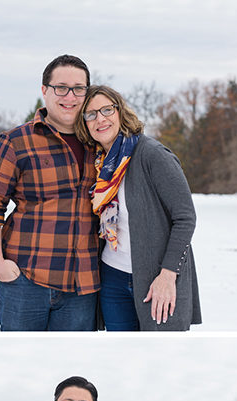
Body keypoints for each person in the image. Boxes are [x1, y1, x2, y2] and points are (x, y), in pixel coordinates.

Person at [0, 55, 99, 331]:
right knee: (19, 351)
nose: (70, 96)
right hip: (26, 280)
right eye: (61, 87)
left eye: (78, 88)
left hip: (83, 285)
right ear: (45, 90)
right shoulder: (16, 141)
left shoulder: (100, 142)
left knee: (73, 353)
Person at [75, 85, 201, 331]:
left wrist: (168, 274)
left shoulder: (152, 155)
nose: (100, 119)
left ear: (120, 111)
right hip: (113, 277)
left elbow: (185, 218)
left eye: (107, 110)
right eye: (91, 114)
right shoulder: (98, 163)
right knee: (122, 348)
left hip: (157, 278)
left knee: (162, 348)